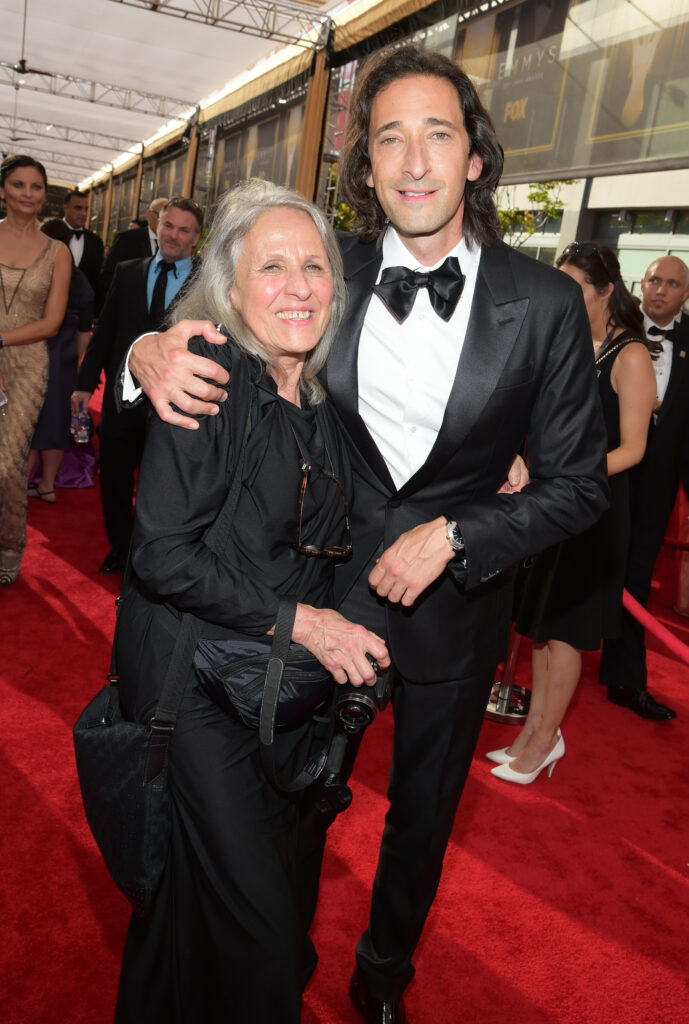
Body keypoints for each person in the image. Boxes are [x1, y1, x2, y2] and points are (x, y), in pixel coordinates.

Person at [121, 45, 609, 1023]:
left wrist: (460, 534)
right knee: (289, 801)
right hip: (309, 604)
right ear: (366, 166)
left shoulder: (545, 303)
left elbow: (577, 487)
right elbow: (201, 324)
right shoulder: (322, 270)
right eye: (390, 138)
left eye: (438, 133)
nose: (415, 159)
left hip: (457, 615)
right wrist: (147, 348)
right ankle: (275, 957)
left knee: (422, 818)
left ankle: (381, 978)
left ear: (475, 157)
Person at [113, 179, 389, 1024]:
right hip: (197, 693)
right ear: (229, 291)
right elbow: (160, 552)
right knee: (268, 943)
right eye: (271, 267)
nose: (298, 285)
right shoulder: (211, 380)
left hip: (282, 696)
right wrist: (302, 622)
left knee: (198, 913)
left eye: (314, 266)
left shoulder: (324, 397)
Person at [489, 243, 657, 784]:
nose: (561, 294)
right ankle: (535, 730)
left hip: (596, 509)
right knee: (540, 624)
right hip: (553, 502)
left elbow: (633, 448)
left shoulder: (631, 354)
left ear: (606, 290)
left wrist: (563, 475)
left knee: (566, 631)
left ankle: (542, 741)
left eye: (575, 285)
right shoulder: (569, 341)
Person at [72, 197, 203, 574]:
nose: (173, 235)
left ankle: (152, 555)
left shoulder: (207, 278)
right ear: (157, 225)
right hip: (121, 398)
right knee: (113, 477)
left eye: (183, 230)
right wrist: (84, 384)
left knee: (162, 484)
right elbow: (106, 331)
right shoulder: (129, 271)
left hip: (175, 401)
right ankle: (121, 548)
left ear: (195, 238)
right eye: (168, 226)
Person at [599, 255, 689, 720]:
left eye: (673, 284)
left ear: (686, 294)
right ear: (640, 282)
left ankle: (624, 680)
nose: (660, 289)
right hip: (601, 472)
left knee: (634, 580)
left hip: (655, 483)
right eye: (654, 279)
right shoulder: (610, 325)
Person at [0, 154, 71, 585]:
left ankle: (8, 547)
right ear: (3, 189)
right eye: (19, 185)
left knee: (8, 464)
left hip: (27, 365)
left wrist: (2, 340)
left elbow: (52, 321)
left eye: (36, 186)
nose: (28, 194)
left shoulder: (57, 252)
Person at [27, 218, 95, 504]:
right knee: (55, 424)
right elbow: (85, 331)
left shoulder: (32, 273)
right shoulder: (78, 278)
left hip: (31, 355)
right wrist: (73, 360)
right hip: (64, 360)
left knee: (26, 423)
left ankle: (15, 491)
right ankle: (47, 486)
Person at [98, 196, 168, 305]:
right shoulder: (127, 239)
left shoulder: (172, 245)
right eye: (161, 216)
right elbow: (108, 274)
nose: (164, 222)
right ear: (149, 215)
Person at [42, 188, 104, 294]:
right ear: (65, 208)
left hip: (82, 306)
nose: (83, 213)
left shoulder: (96, 242)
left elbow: (96, 280)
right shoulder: (48, 233)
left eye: (86, 209)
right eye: (78, 208)